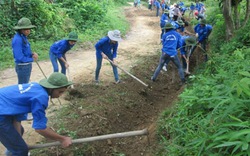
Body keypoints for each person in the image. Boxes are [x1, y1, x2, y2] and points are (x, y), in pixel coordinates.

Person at [0, 72, 73, 155]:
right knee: (20, 150)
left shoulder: (36, 87)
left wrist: (19, 141)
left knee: (18, 137)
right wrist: (62, 139)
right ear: (52, 88)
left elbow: (16, 117)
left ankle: (12, 151)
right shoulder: (41, 97)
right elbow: (40, 128)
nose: (60, 95)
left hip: (3, 109)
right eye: (60, 92)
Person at [12, 17, 39, 84]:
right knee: (23, 86)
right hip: (22, 66)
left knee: (25, 84)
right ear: (20, 29)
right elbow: (19, 57)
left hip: (26, 65)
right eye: (25, 29)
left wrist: (31, 54)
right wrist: (31, 59)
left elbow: (25, 51)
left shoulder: (23, 37)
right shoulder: (17, 40)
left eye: (29, 29)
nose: (28, 31)